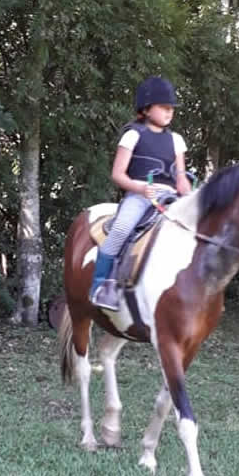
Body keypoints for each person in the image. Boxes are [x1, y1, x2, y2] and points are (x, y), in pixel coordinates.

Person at [89, 76, 192, 311]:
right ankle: (100, 285)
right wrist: (141, 189)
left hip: (170, 198)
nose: (169, 112)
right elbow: (118, 175)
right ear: (146, 109)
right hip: (140, 195)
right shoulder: (133, 135)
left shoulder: (177, 140)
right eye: (164, 107)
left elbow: (181, 177)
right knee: (122, 228)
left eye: (171, 109)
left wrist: (191, 195)